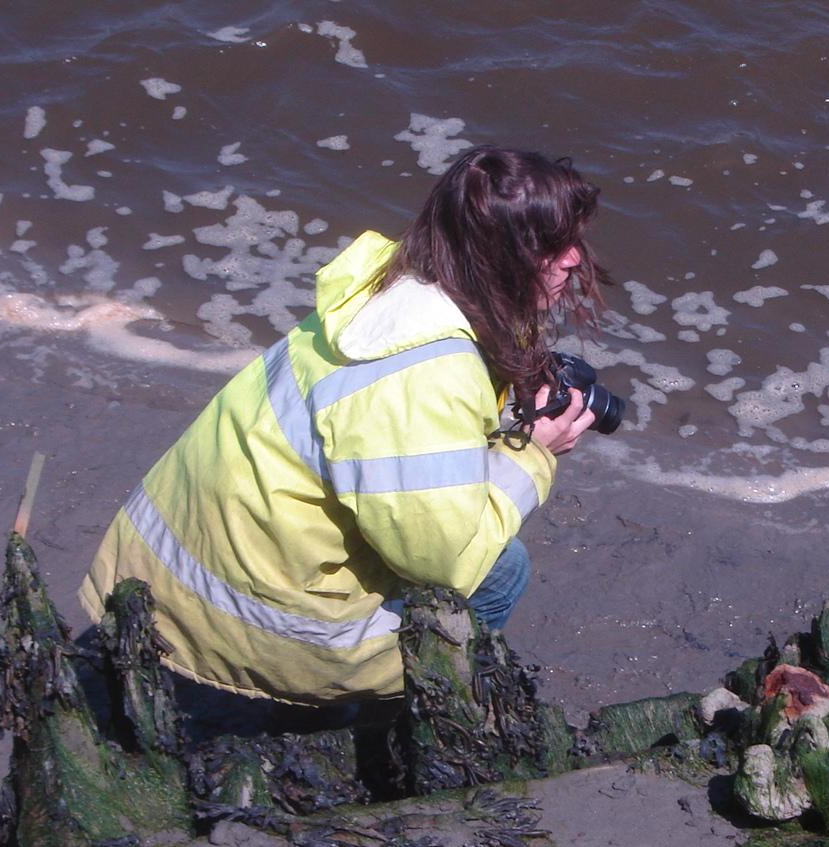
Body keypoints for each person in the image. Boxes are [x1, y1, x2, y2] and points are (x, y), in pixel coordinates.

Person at [79, 145, 607, 706]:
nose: (574, 259)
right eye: (553, 246)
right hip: (238, 630)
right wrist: (533, 451)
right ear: (501, 256)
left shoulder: (380, 297)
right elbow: (445, 563)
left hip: (147, 577)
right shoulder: (427, 374)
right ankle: (372, 721)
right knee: (500, 571)